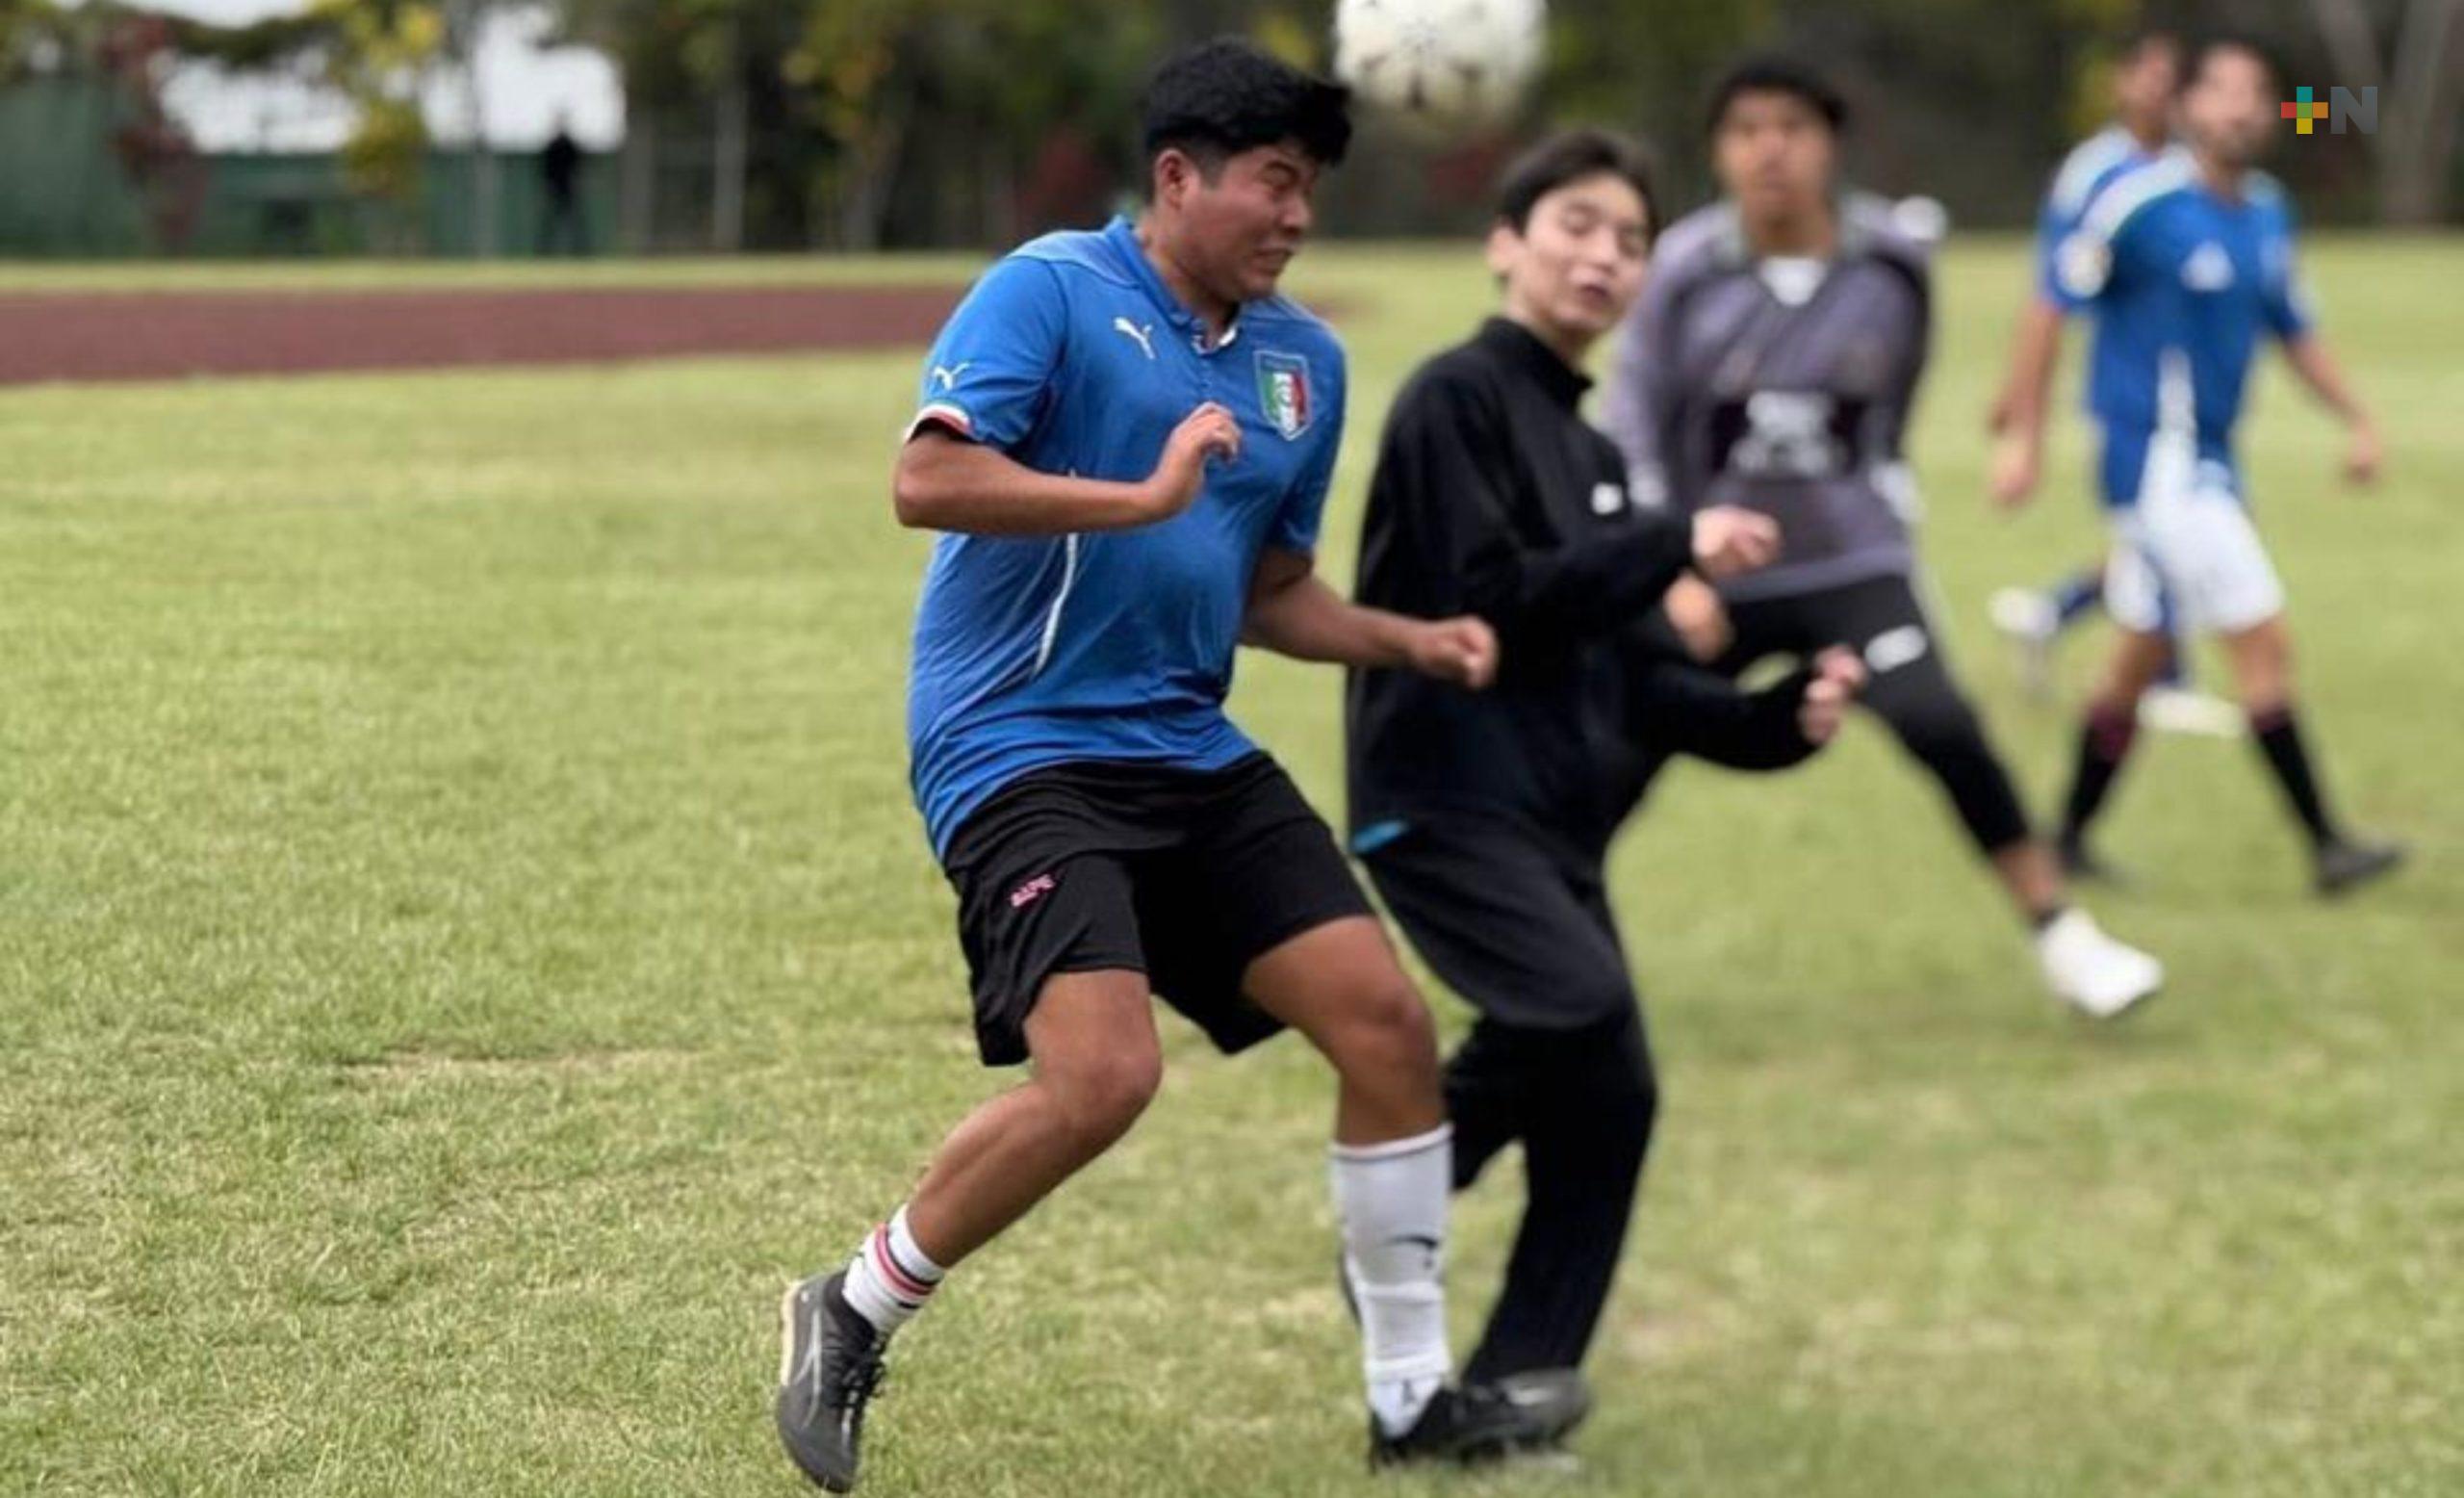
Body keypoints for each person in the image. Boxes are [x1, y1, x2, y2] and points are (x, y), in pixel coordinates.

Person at [773, 41, 1550, 1493]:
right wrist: (1138, 497)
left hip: (1187, 746)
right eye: (1274, 181)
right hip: (1017, 743)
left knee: (1386, 1027)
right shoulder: (1052, 288)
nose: (1296, 215)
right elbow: (924, 480)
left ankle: (1410, 1400)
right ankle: (855, 1302)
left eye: (1311, 190)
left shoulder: (1304, 363)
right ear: (1178, 176)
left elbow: (1268, 594)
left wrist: (1409, 641)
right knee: (1104, 1076)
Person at [1346, 127, 1866, 1453]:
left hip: (1551, 824)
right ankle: (1391, 1212)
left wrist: (1779, 719)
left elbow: (1638, 684)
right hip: (1441, 799)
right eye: (1576, 225)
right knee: (1575, 1004)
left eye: (1630, 240)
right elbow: (1493, 600)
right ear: (1505, 243)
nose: (1603, 257)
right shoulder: (1454, 400)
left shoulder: (1595, 457)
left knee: (1613, 1095)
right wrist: (1669, 542)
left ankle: (1515, 1388)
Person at [1604, 55, 2165, 1018]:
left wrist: (1873, 496)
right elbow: (1632, 425)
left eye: (1791, 127)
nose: (1769, 151)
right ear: (1718, 151)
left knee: (1943, 725)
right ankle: (1539, 935)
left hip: (1850, 561)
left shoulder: (1895, 263)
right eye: (1746, 131)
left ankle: (2064, 936)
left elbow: (1892, 405)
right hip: (1710, 572)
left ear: (1830, 143)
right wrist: (1670, 564)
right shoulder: (1682, 270)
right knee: (1606, 748)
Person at [2027, 36, 2403, 895]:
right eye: (2220, 91)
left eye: (2256, 93)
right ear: (2184, 106)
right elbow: (2053, 300)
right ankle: (2328, 846)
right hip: (2158, 463)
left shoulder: (2268, 212)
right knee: (2262, 640)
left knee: (2136, 656)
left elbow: (2293, 327)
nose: (2240, 108)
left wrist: (2357, 418)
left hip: (2211, 458)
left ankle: (2066, 839)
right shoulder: (2135, 199)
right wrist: (2025, 431)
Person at [1986, 26, 2237, 737]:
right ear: (2120, 82)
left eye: (2172, 76)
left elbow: (2282, 114)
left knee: (2155, 540)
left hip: (2205, 396)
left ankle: (2052, 611)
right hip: (2130, 387)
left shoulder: (2201, 161)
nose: (2158, 88)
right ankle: (2166, 680)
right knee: (2165, 537)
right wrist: (2021, 412)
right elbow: (2051, 293)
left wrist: (2349, 107)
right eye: (2145, 73)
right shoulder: (2096, 175)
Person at [539, 117, 588, 256]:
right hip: (557, 187)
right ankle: (544, 251)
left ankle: (581, 250)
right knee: (551, 222)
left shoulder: (568, 145)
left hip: (566, 186)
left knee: (574, 221)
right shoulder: (555, 145)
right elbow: (547, 168)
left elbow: (577, 166)